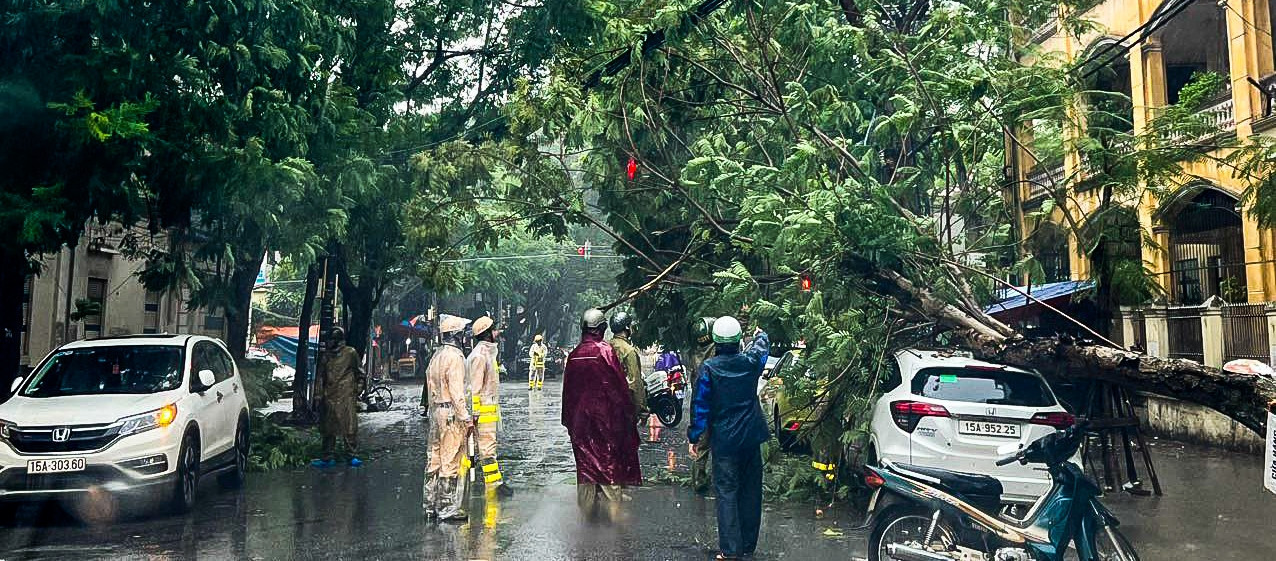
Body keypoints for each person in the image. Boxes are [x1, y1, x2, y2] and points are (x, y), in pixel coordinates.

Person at [688, 317, 770, 561]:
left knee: (727, 493)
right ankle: (747, 545)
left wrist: (694, 436)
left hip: (724, 441)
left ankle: (730, 550)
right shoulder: (750, 362)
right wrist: (760, 333)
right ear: (736, 341)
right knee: (751, 491)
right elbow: (762, 348)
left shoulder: (709, 369)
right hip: (751, 437)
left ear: (716, 341)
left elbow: (700, 406)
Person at [562, 308, 642, 521]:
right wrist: (628, 416)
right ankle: (615, 521)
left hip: (580, 425)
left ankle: (587, 520)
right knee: (608, 467)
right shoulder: (606, 352)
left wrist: (569, 423)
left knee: (586, 471)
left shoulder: (574, 355)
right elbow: (620, 390)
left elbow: (567, 394)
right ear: (602, 328)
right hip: (605, 423)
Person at [424, 315, 473, 521]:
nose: (465, 337)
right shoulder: (455, 357)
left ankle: (429, 504)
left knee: (433, 458)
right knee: (450, 459)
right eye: (462, 333)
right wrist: (466, 418)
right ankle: (447, 507)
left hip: (436, 412)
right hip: (452, 413)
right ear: (456, 335)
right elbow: (457, 392)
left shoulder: (436, 356)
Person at [468, 316, 513, 497]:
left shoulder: (487, 354)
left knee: (488, 450)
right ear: (487, 334)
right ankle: (493, 485)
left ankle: (494, 482)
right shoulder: (480, 356)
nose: (497, 333)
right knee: (487, 451)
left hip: (488, 412)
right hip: (483, 414)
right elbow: (475, 388)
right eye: (494, 330)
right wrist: (475, 414)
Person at [314, 327, 365, 468]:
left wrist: (356, 390)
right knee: (328, 428)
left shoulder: (350, 353)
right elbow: (320, 377)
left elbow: (360, 374)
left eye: (331, 340)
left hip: (346, 396)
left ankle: (351, 455)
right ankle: (327, 456)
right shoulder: (326, 356)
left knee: (349, 427)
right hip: (329, 395)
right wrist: (318, 395)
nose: (329, 343)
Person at [608, 312, 647, 422]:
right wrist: (642, 409)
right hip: (624, 407)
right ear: (626, 328)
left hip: (606, 405)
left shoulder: (605, 347)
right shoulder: (629, 351)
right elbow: (635, 382)